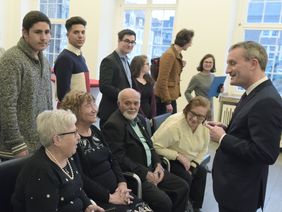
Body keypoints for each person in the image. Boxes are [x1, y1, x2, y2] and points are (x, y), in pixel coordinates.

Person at [206, 41, 282, 212]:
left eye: (232, 63)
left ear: (253, 63)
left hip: (241, 192)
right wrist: (226, 129)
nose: (226, 70)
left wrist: (223, 138)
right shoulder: (254, 93)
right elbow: (249, 131)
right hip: (235, 188)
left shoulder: (267, 100)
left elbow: (265, 153)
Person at [61, 90, 151, 212]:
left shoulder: (95, 130)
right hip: (97, 199)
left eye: (94, 104)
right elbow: (80, 177)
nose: (94, 109)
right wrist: (109, 197)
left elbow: (113, 159)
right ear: (75, 110)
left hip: (118, 192)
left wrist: (122, 183)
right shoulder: (72, 139)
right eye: (88, 106)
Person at [102, 88, 189, 212]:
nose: (132, 107)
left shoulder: (141, 119)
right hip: (137, 175)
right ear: (118, 104)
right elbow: (119, 159)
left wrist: (158, 164)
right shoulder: (113, 125)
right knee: (164, 202)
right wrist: (145, 174)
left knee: (182, 187)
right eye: (127, 103)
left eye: (136, 103)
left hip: (153, 168)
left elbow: (150, 145)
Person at [12, 109, 104, 212]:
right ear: (57, 140)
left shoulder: (67, 156)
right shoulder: (41, 172)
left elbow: (77, 188)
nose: (78, 137)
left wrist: (88, 205)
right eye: (74, 133)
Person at [0, 11, 53, 160]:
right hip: (17, 149)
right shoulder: (12, 59)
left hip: (39, 143)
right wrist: (17, 144)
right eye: (38, 32)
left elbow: (47, 103)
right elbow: (6, 105)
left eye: (47, 32)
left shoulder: (45, 61)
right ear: (25, 32)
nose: (44, 37)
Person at [152, 96, 210, 212]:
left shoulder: (204, 127)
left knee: (201, 172)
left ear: (205, 117)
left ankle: (195, 206)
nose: (194, 119)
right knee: (186, 177)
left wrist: (193, 164)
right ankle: (183, 205)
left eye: (200, 116)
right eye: (192, 113)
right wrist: (177, 156)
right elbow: (154, 145)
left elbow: (204, 149)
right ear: (187, 109)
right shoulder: (175, 125)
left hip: (189, 160)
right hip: (169, 157)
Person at [98, 29, 136, 128]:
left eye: (132, 42)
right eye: (127, 41)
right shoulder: (109, 61)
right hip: (111, 112)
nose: (130, 45)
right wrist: (125, 97)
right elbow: (104, 87)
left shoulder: (126, 60)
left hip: (123, 111)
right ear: (119, 41)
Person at [154, 28, 194, 115]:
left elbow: (173, 74)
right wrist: (167, 102)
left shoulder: (177, 54)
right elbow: (162, 80)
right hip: (165, 99)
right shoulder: (169, 55)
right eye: (190, 42)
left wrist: (181, 66)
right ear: (184, 41)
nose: (190, 44)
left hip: (170, 97)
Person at [54, 16, 90, 106]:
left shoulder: (80, 56)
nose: (80, 36)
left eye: (83, 32)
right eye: (76, 32)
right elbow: (63, 95)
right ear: (68, 35)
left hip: (81, 108)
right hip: (70, 112)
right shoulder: (65, 58)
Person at [184, 54, 217, 120]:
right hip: (199, 111)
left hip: (210, 110)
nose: (208, 64)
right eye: (206, 62)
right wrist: (195, 102)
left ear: (213, 64)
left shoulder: (213, 77)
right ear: (202, 63)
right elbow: (187, 92)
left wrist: (219, 91)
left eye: (210, 62)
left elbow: (213, 94)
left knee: (208, 129)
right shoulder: (196, 78)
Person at [130, 55, 156, 119]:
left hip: (149, 114)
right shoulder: (132, 81)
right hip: (137, 114)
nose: (149, 66)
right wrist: (142, 117)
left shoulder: (149, 80)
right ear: (140, 65)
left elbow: (152, 100)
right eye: (147, 64)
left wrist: (153, 116)